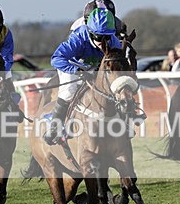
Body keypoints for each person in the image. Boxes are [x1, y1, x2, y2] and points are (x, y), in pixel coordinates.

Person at [43, 8, 122, 145]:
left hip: (95, 68)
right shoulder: (78, 38)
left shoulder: (114, 42)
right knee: (69, 91)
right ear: (90, 32)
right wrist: (78, 70)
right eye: (98, 37)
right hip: (72, 66)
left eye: (107, 37)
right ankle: (55, 126)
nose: (102, 41)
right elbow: (56, 59)